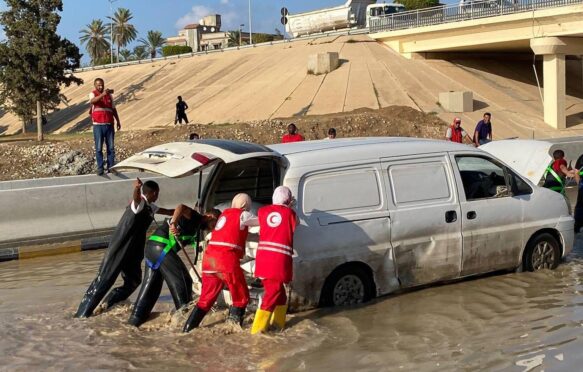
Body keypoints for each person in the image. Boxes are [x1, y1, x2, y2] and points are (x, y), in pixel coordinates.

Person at [75, 178, 174, 318]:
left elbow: (169, 212)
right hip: (120, 248)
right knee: (104, 279)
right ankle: (82, 314)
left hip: (133, 252)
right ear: (153, 192)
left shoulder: (151, 207)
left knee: (134, 280)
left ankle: (108, 304)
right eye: (157, 193)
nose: (158, 196)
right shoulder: (138, 204)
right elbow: (136, 200)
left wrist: (187, 212)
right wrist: (136, 189)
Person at [127, 205, 219, 327]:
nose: (212, 229)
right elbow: (180, 207)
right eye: (214, 225)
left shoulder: (196, 229)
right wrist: (173, 224)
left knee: (152, 287)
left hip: (152, 249)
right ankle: (184, 322)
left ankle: (135, 320)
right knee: (184, 280)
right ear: (210, 216)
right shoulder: (195, 216)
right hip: (161, 247)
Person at [183, 194, 258, 332]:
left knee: (205, 300)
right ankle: (232, 331)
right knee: (241, 296)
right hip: (226, 261)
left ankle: (186, 330)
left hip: (209, 260)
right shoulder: (242, 215)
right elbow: (263, 222)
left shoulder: (223, 216)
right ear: (244, 206)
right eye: (248, 207)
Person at [251, 186, 298, 334]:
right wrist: (290, 208)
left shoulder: (262, 211)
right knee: (274, 292)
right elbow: (295, 225)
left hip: (263, 257)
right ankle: (257, 331)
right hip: (278, 259)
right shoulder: (290, 213)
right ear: (288, 199)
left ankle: (278, 326)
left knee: (280, 295)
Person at [89, 78, 121, 176]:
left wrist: (118, 121)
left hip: (109, 125)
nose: (101, 87)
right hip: (98, 126)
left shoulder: (109, 96)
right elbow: (93, 101)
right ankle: (100, 168)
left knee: (111, 148)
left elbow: (113, 109)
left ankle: (111, 167)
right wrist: (103, 94)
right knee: (98, 148)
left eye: (102, 85)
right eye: (98, 85)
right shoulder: (93, 94)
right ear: (95, 85)